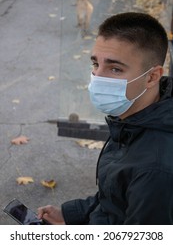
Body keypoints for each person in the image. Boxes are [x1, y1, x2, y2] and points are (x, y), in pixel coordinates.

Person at [38, 12, 173, 225]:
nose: (97, 77)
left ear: (152, 76)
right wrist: (70, 214)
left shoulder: (156, 170)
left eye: (115, 68)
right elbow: (115, 200)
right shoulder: (134, 120)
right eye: (95, 64)